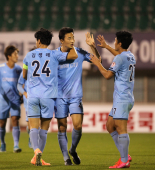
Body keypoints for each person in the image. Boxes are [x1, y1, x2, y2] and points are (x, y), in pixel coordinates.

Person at [22, 28, 78, 166]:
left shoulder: (29, 56)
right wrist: (71, 43)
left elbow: (23, 76)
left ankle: (36, 151)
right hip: (48, 97)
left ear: (38, 41)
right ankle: (39, 154)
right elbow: (73, 56)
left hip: (33, 96)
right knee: (44, 129)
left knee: (33, 126)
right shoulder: (54, 55)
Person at [55, 27, 101, 165]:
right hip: (59, 97)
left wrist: (93, 46)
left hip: (75, 97)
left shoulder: (80, 52)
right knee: (62, 128)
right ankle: (66, 158)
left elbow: (98, 60)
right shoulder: (54, 55)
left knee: (78, 125)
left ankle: (73, 150)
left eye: (73, 37)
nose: (72, 40)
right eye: (69, 38)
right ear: (61, 40)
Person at [89, 31, 135, 168]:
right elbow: (119, 56)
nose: (114, 42)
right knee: (110, 126)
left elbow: (108, 75)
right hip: (123, 98)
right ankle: (125, 154)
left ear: (119, 43)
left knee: (121, 128)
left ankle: (124, 159)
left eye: (115, 41)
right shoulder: (130, 56)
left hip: (122, 98)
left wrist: (97, 63)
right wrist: (107, 47)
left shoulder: (120, 58)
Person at [0, 45, 22, 153]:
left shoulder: (19, 69)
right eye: (15, 54)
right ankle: (2, 143)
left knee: (15, 120)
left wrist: (22, 94)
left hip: (15, 99)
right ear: (9, 56)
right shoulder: (0, 68)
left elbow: (22, 83)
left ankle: (16, 145)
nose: (17, 56)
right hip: (3, 100)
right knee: (2, 123)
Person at [17, 47, 37, 149]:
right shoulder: (25, 70)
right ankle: (31, 138)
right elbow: (19, 85)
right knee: (29, 123)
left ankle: (35, 141)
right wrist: (24, 93)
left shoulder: (43, 70)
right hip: (29, 99)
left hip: (40, 97)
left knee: (37, 123)